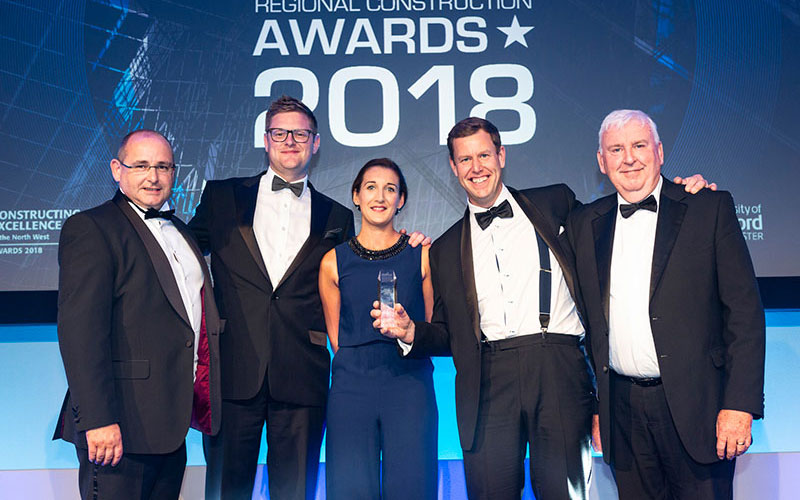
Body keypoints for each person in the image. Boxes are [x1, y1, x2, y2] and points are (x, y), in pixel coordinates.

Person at [373, 116, 712, 500]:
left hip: (558, 367)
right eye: (465, 160)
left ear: (501, 156)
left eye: (484, 154)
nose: (476, 167)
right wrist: (410, 332)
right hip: (487, 379)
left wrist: (679, 193)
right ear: (453, 168)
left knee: (563, 493)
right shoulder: (446, 247)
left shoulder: (556, 203)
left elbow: (621, 216)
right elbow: (450, 332)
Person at [189, 96, 428, 499]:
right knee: (224, 492)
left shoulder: (337, 216)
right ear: (265, 140)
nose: (290, 141)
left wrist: (411, 244)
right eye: (280, 132)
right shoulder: (222, 196)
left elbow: (362, 269)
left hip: (303, 376)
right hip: (234, 370)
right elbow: (182, 252)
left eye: (301, 134)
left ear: (315, 144)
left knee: (295, 492)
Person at [566, 109, 765, 499]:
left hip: (700, 410)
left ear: (659, 151)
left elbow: (744, 314)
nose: (629, 158)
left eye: (639, 145)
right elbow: (587, 327)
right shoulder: (584, 224)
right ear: (601, 162)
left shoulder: (708, 208)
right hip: (622, 414)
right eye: (616, 149)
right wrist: (596, 408)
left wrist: (739, 405)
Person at [53, 129, 223, 499]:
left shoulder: (181, 231)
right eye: (141, 165)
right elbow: (80, 334)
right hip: (118, 428)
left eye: (163, 167)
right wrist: (97, 420)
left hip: (169, 426)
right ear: (117, 169)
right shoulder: (92, 228)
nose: (154, 176)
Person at [319, 158, 438, 500]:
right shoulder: (332, 261)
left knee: (412, 487)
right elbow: (337, 339)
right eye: (371, 187)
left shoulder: (423, 254)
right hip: (351, 388)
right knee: (350, 488)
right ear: (356, 195)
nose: (380, 196)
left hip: (410, 385)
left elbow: (432, 329)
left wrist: (405, 332)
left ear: (401, 199)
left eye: (390, 189)